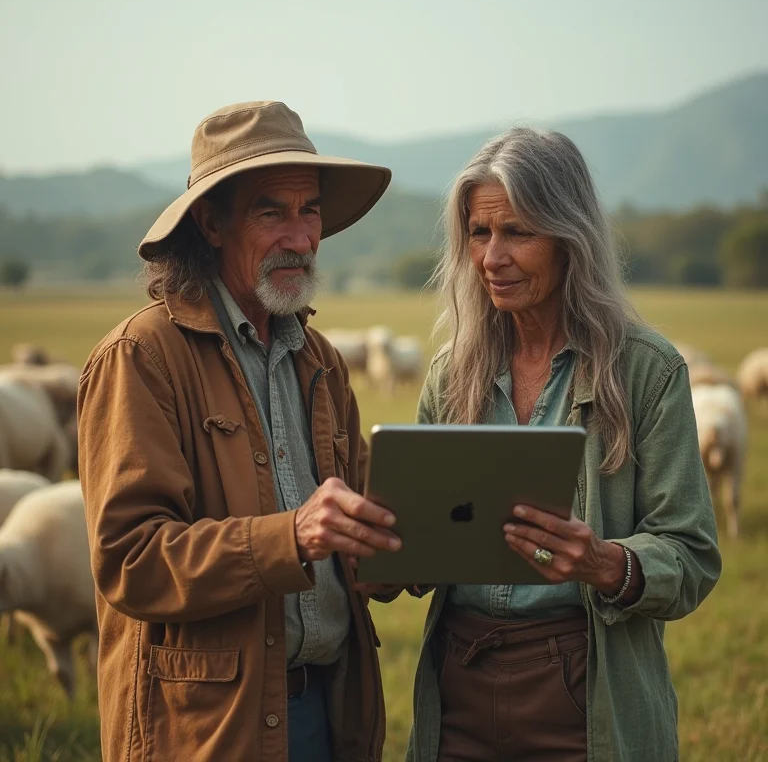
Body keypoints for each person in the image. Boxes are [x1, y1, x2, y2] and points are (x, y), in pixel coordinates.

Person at [77, 101, 402, 762]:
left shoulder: (321, 360)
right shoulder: (143, 357)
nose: (299, 236)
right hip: (204, 733)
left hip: (327, 713)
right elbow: (131, 561)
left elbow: (363, 529)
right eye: (270, 211)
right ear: (212, 221)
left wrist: (416, 540)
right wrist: (291, 537)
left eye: (309, 210)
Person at [401, 128, 722, 761]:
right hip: (459, 683)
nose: (492, 257)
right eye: (478, 233)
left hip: (585, 689)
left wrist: (605, 562)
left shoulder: (647, 372)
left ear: (570, 238)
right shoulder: (449, 373)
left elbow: (691, 555)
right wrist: (396, 549)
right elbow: (426, 536)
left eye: (518, 232)